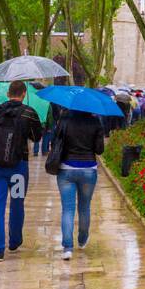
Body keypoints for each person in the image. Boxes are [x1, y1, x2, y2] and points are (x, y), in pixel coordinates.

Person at [0, 80, 43, 261]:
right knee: (17, 203)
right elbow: (37, 136)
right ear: (24, 93)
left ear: (8, 93)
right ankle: (14, 240)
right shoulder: (29, 113)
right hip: (18, 167)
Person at [52, 109, 107, 261]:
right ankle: (82, 239)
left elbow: (55, 142)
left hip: (66, 170)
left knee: (67, 209)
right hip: (88, 169)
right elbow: (99, 150)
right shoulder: (95, 122)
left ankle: (67, 248)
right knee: (84, 207)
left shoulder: (64, 121)